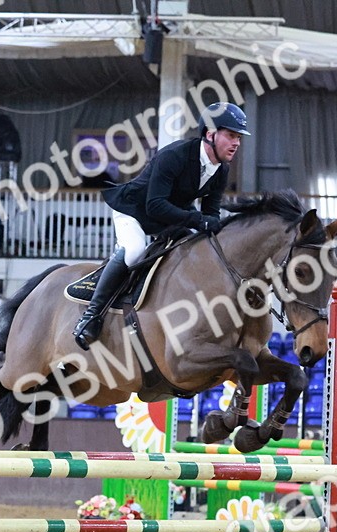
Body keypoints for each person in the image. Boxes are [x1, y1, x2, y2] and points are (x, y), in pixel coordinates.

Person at [71, 101, 251, 350]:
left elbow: (210, 213)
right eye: (231, 135)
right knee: (134, 251)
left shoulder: (221, 169)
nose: (237, 143)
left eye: (239, 137)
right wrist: (198, 220)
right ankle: (90, 317)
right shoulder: (174, 156)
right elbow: (156, 205)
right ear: (210, 134)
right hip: (134, 210)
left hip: (170, 218)